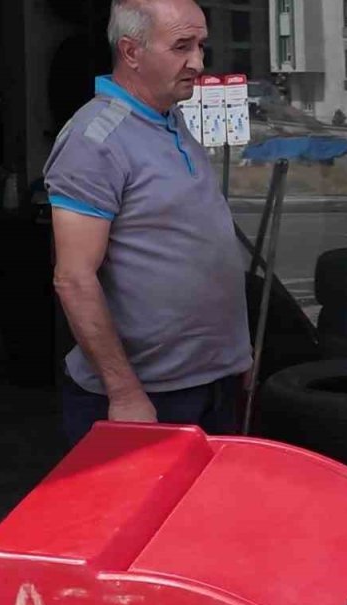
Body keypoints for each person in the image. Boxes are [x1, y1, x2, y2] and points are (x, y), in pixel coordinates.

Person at [46, 0, 252, 446]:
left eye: (200, 46)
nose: (197, 62)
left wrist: (236, 356)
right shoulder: (95, 139)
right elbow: (74, 279)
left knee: (205, 516)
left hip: (211, 382)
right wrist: (125, 393)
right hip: (147, 398)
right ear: (131, 51)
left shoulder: (170, 120)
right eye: (181, 46)